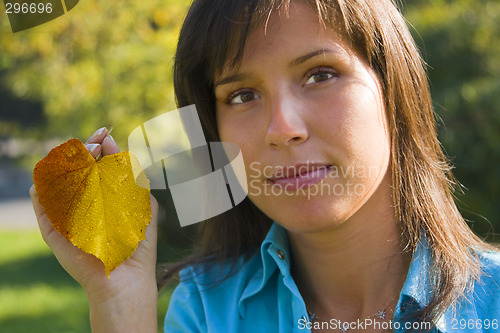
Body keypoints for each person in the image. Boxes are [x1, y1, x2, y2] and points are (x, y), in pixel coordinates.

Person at [31, 0, 500, 332]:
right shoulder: (207, 311)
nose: (282, 127)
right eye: (242, 95)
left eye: (320, 74)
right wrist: (120, 305)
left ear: (394, 88)